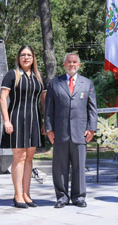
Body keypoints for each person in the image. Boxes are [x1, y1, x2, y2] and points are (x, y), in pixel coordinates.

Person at [45, 53, 97, 208]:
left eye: (74, 62)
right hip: (60, 132)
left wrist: (92, 128)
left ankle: (79, 197)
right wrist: (49, 129)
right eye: (69, 62)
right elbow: (49, 109)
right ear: (63, 65)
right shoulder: (54, 83)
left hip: (80, 132)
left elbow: (92, 109)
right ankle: (62, 197)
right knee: (59, 167)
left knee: (79, 166)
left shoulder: (87, 84)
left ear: (79, 65)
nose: (71, 64)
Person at [0, 45, 46, 208]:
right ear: (18, 58)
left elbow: (44, 101)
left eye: (29, 55)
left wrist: (45, 122)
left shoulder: (38, 77)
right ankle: (17, 194)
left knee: (29, 158)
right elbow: (2, 98)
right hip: (16, 119)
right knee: (19, 157)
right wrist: (6, 120)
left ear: (33, 58)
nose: (26, 57)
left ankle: (26, 194)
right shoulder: (12, 75)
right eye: (23, 55)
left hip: (34, 120)